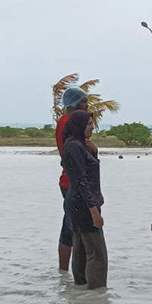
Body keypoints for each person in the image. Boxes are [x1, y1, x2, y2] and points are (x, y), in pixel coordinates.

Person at [62, 110, 108, 289]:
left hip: (77, 204)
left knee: (81, 250)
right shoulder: (75, 146)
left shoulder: (76, 145)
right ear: (79, 126)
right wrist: (94, 210)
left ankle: (81, 295)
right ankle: (97, 295)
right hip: (82, 205)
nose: (92, 127)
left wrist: (94, 153)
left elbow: (85, 172)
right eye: (89, 124)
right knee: (97, 254)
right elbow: (81, 180)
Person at [56, 86, 89, 271]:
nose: (86, 105)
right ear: (74, 103)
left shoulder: (65, 121)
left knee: (71, 226)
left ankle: (68, 271)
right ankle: (65, 270)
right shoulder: (68, 123)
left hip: (72, 181)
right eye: (83, 102)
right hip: (72, 182)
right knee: (70, 228)